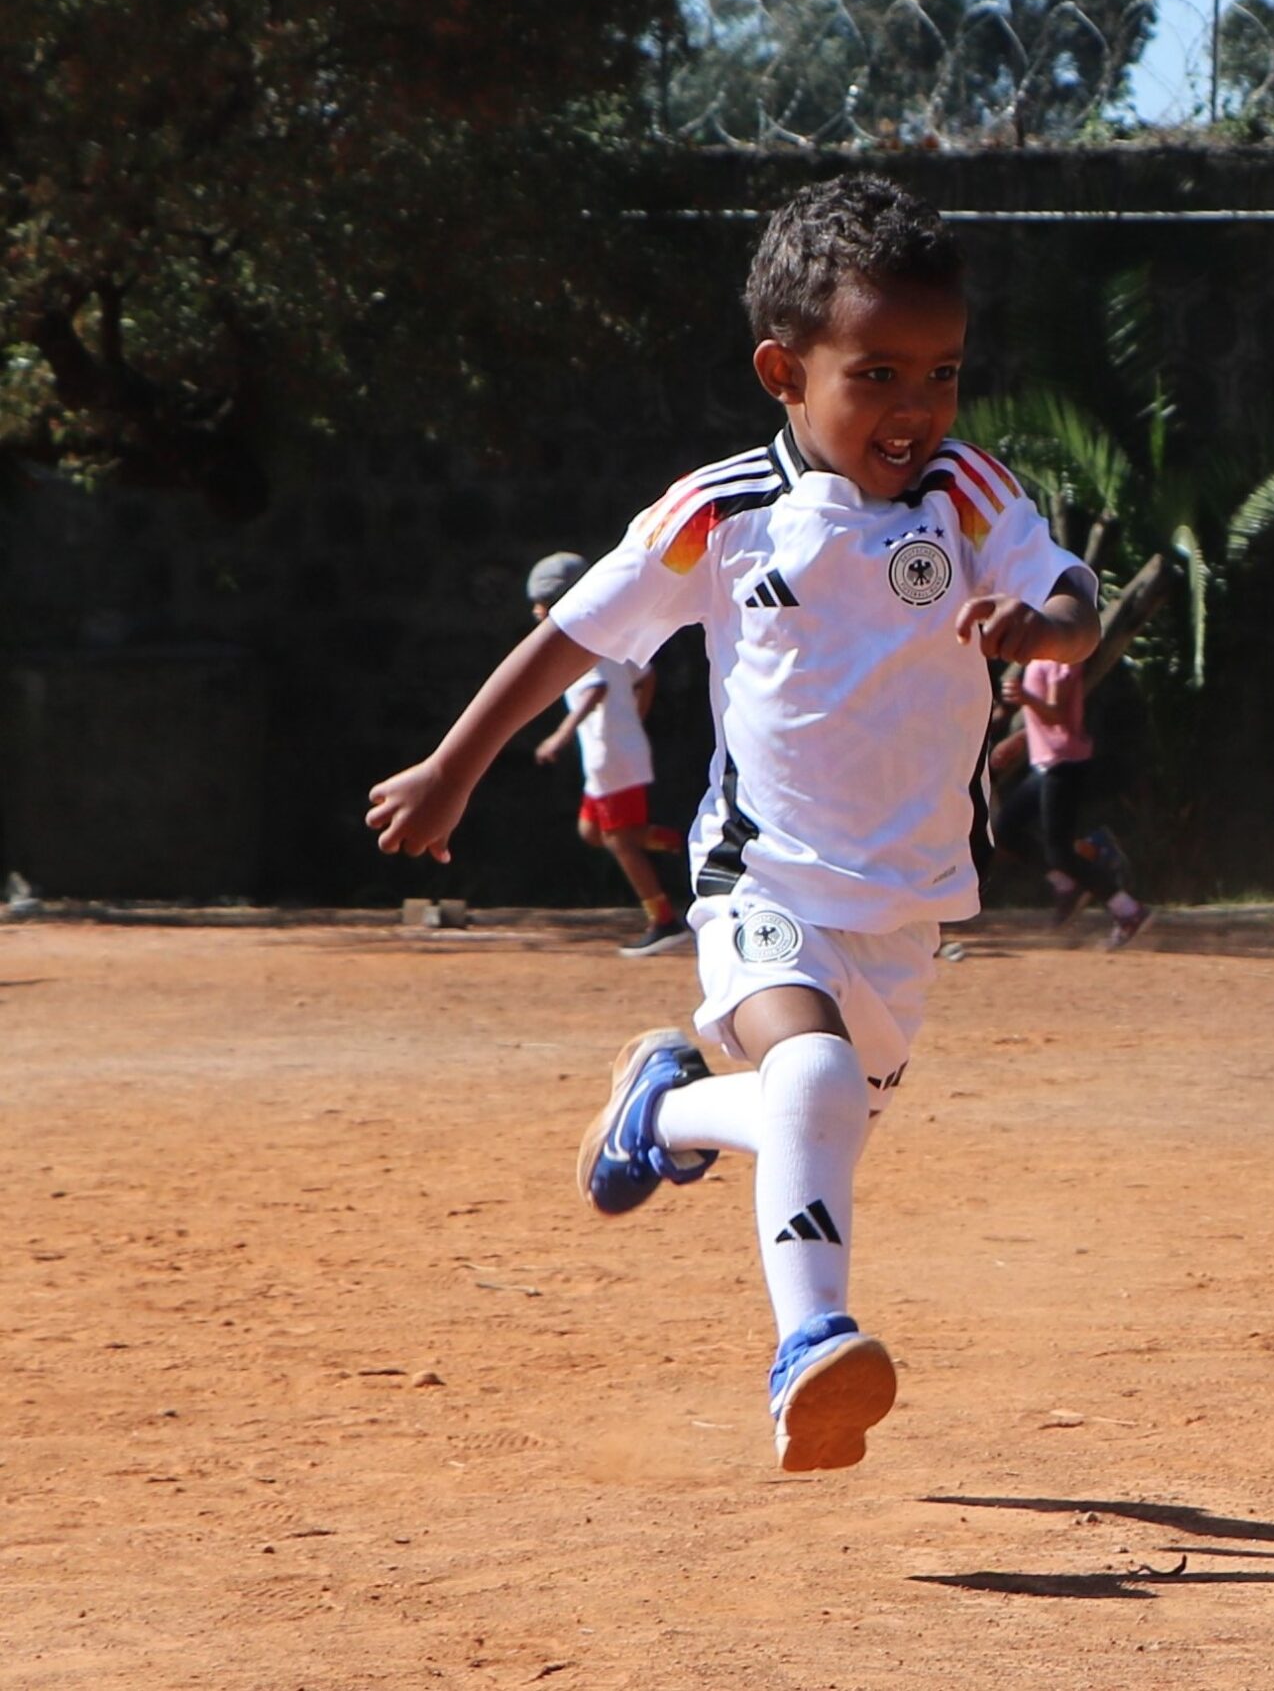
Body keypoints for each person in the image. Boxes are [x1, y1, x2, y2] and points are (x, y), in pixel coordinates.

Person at [367, 175, 1099, 1471]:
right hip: (759, 880)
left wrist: (1042, 627)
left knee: (809, 1121)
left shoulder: (971, 495)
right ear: (784, 369)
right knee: (812, 1085)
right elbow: (571, 635)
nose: (916, 406)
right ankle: (810, 1348)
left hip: (908, 903)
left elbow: (1071, 591)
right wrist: (452, 765)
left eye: (942, 373)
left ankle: (658, 1113)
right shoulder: (718, 511)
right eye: (876, 372)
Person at [523, 551, 689, 957]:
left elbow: (596, 688)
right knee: (593, 832)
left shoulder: (582, 640)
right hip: (613, 753)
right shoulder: (613, 634)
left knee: (620, 842)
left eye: (542, 605)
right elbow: (644, 676)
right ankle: (685, 844)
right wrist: (634, 718)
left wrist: (558, 737)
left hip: (610, 757)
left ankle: (663, 920)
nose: (536, 612)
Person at [993, 658, 1151, 947]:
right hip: (1045, 764)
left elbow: (1057, 714)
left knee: (1060, 853)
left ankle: (1129, 911)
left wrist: (1024, 697)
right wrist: (1020, 738)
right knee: (1006, 830)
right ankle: (1068, 884)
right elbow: (1048, 716)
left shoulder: (1061, 659)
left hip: (1064, 765)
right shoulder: (1040, 657)